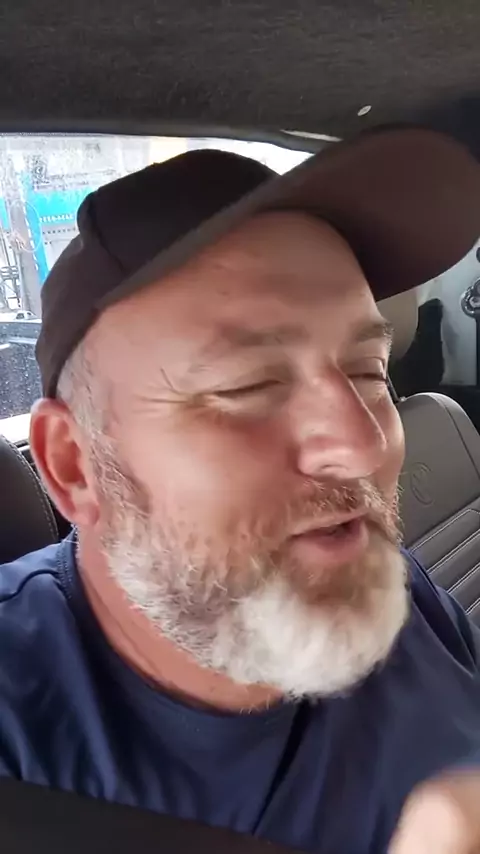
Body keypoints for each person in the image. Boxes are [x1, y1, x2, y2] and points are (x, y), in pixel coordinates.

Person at [1, 128, 480, 854]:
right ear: (74, 465)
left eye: (369, 373)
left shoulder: (392, 592)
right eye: (249, 386)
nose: (363, 446)